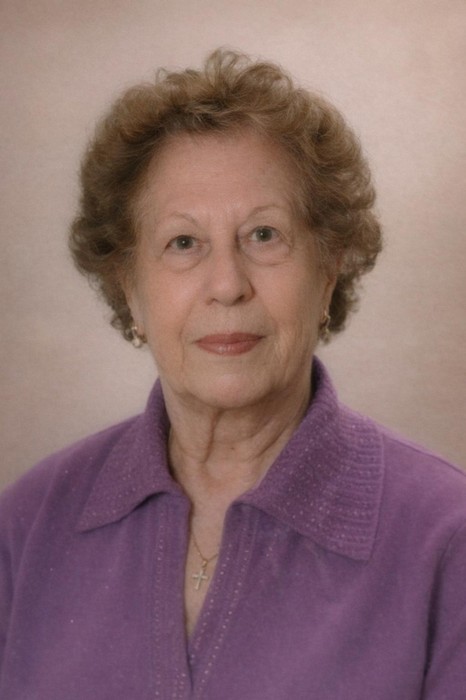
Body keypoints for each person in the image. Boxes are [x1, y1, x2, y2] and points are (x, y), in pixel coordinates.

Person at [1, 49, 465, 700]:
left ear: (328, 270)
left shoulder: (447, 537)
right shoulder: (25, 526)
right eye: (183, 242)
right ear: (129, 286)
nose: (227, 284)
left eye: (264, 235)